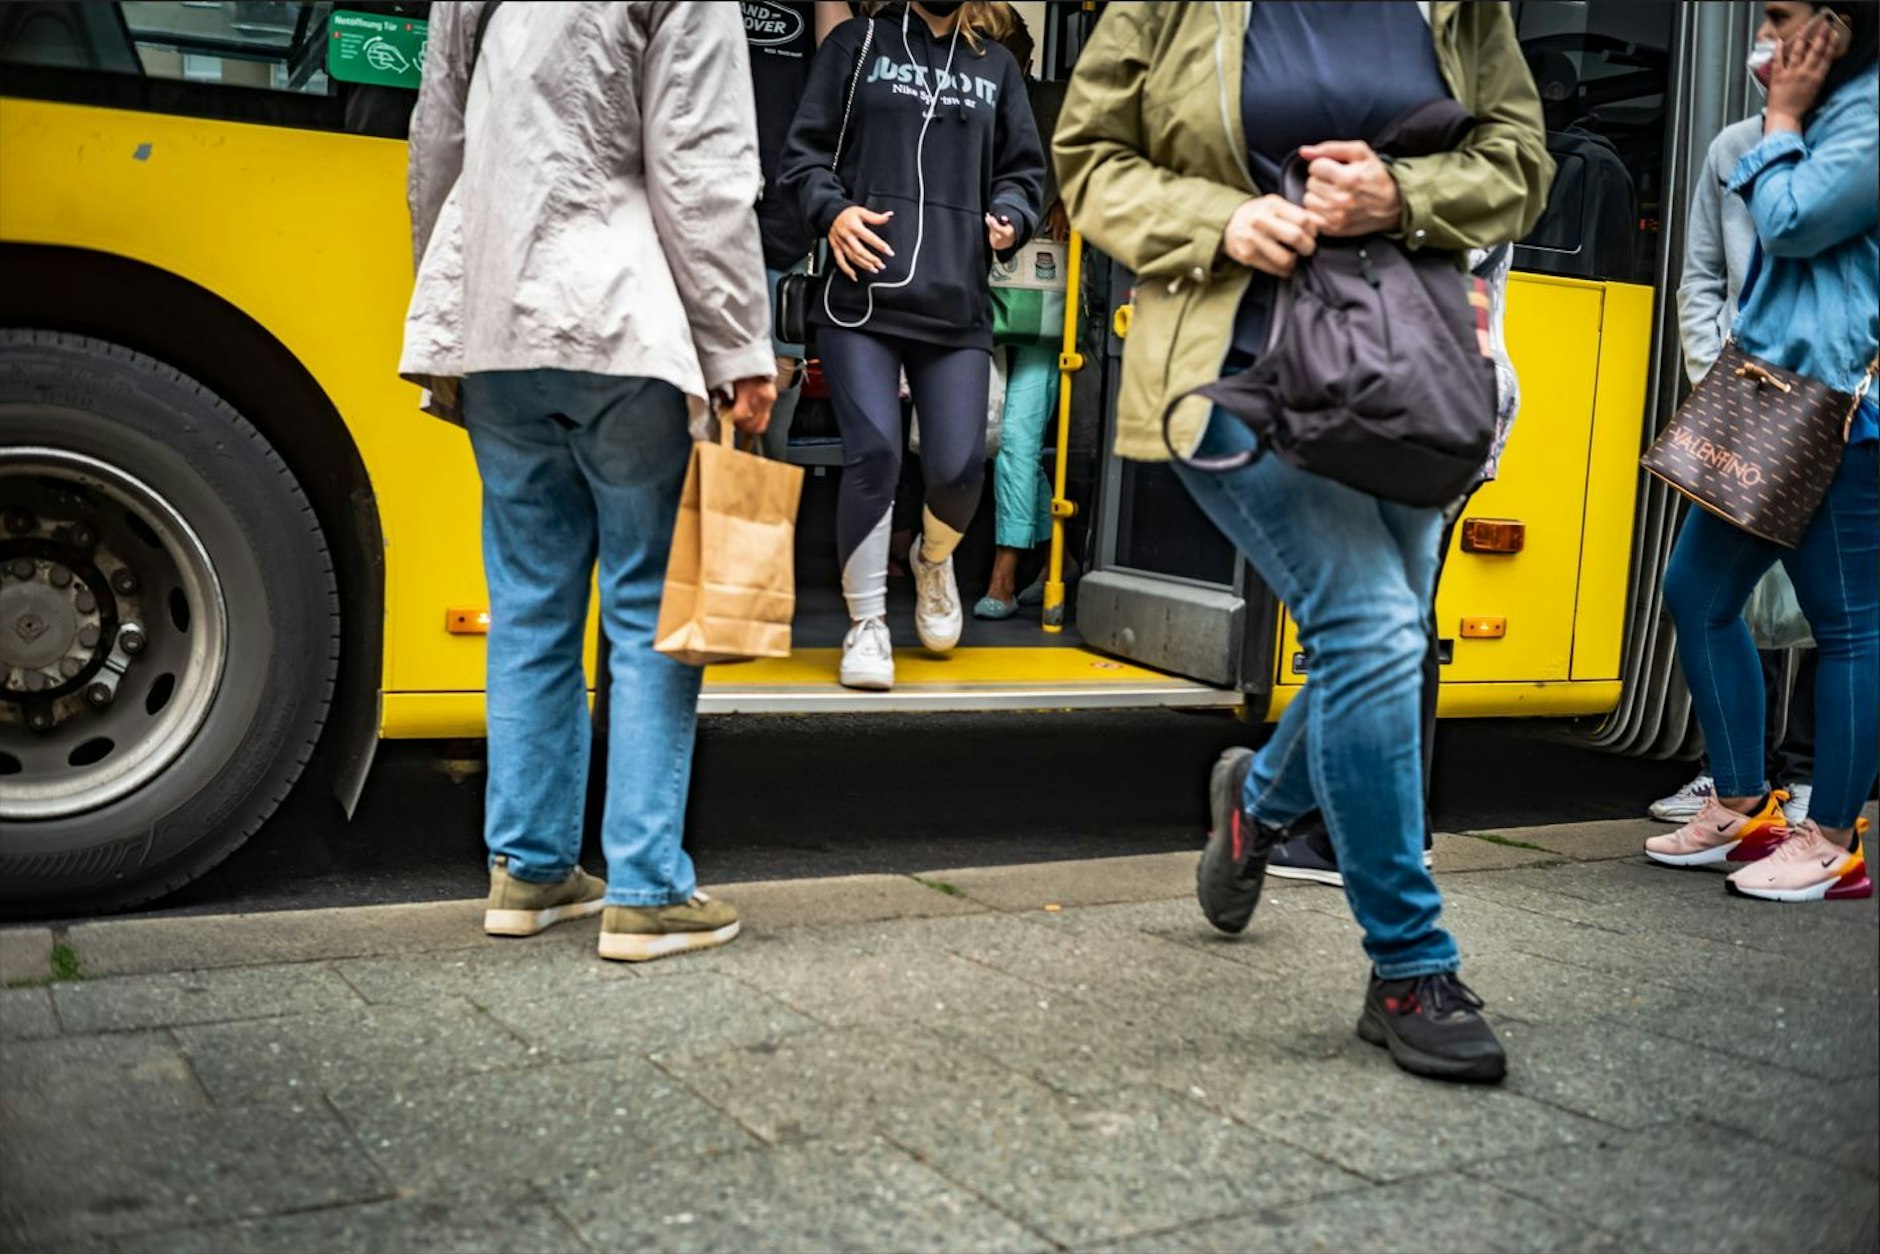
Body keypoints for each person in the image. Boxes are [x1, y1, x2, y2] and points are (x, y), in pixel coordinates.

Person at [1056, 2, 1551, 1082]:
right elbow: (1088, 159)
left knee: (1380, 637)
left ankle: (1260, 803)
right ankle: (1409, 966)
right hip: (1231, 356)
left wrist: (1403, 195)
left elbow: (1518, 163)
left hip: (1406, 368)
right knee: (1372, 630)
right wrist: (1221, 222)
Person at [402, 2, 777, 961]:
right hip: (620, 321)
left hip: (495, 328)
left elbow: (436, 138)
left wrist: (450, 302)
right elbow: (700, 167)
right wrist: (738, 344)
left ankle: (528, 872)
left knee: (529, 601)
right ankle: (647, 888)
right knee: (650, 605)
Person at [1645, 1, 1877, 902]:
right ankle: (1744, 798)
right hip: (1779, 393)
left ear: (1840, 21)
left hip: (1845, 407)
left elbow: (1788, 224)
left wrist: (1781, 115)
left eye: (1782, 15)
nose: (1766, 34)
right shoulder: (1834, 111)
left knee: (1849, 623)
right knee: (1696, 593)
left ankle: (1833, 842)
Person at [779, 0, 1044, 691]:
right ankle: (866, 625)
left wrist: (1011, 215)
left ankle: (933, 561)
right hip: (859, 300)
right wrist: (831, 212)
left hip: (954, 305)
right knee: (876, 452)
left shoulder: (997, 67)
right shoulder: (856, 46)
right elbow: (803, 157)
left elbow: (1025, 170)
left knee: (958, 465)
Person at [1649, 106, 1819, 828]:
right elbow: (1702, 277)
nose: (1765, 50)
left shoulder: (1856, 144)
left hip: (1830, 398)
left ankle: (1807, 782)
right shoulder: (1730, 147)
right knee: (1724, 594)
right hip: (1744, 396)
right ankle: (1736, 776)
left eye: (1784, 25)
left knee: (1827, 607)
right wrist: (1718, 380)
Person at [975, 10, 1071, 621]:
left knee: (1016, 437)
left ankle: (1005, 574)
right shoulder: (959, 97)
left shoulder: (1059, 105)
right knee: (977, 439)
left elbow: (1106, 164)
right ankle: (1052, 556)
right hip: (972, 290)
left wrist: (1070, 204)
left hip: (1042, 295)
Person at [746, 2, 855, 462]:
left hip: (783, 218)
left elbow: (850, 62)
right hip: (703, 209)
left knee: (773, 386)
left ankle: (748, 517)